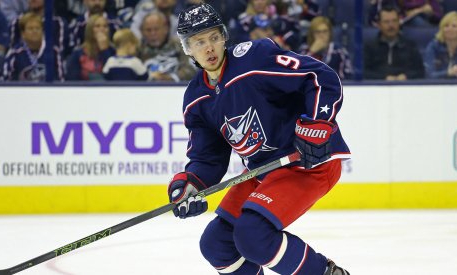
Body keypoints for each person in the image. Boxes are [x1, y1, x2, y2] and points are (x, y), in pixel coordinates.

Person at [167, 3, 351, 275]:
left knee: (252, 236)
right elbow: (208, 158)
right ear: (187, 48)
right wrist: (191, 183)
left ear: (224, 37)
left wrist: (316, 124)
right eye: (199, 42)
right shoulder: (196, 100)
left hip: (308, 163)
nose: (209, 48)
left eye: (214, 38)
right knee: (217, 244)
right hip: (265, 171)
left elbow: (319, 76)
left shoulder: (253, 60)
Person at [364, 5, 424, 80]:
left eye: (394, 21)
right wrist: (383, 78)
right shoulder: (369, 47)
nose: (391, 25)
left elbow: (420, 71)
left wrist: (406, 77)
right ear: (379, 25)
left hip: (406, 87)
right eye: (386, 22)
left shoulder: (410, 46)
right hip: (377, 88)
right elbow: (364, 72)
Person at [3, 12, 64, 81]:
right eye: (30, 28)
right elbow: (7, 82)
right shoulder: (14, 54)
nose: (34, 31)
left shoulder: (54, 51)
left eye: (37, 28)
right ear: (23, 34)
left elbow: (61, 80)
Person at [137, 11, 195, 82]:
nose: (153, 33)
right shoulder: (137, 49)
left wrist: (172, 77)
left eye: (156, 29)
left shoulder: (180, 46)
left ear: (166, 29)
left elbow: (191, 69)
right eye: (148, 30)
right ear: (142, 31)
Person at [299, 16, 352, 80]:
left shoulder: (340, 52)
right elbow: (298, 76)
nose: (321, 35)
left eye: (325, 31)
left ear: (330, 33)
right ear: (312, 34)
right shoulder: (303, 51)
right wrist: (311, 52)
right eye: (318, 32)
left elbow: (347, 78)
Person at [66, 14, 115, 80]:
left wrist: (104, 51)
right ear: (90, 30)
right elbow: (72, 79)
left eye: (105, 26)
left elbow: (114, 76)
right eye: (97, 26)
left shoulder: (114, 51)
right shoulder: (78, 53)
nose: (102, 29)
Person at [424, 11, 457, 79]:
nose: (449, 29)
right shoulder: (433, 47)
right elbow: (429, 74)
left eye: (454, 26)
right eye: (446, 26)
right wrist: (448, 73)